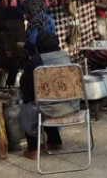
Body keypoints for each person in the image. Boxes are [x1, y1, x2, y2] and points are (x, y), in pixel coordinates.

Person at [19, 29, 78, 160]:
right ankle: (55, 141)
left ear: (39, 46)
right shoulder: (66, 57)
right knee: (48, 101)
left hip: (48, 109)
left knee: (29, 106)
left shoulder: (36, 61)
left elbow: (25, 85)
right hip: (71, 106)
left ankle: (33, 149)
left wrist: (28, 98)